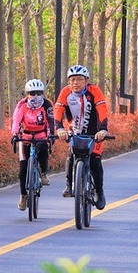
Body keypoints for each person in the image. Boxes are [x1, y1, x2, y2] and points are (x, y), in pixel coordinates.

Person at [54, 64, 110, 210]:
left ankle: (99, 192)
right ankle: (69, 185)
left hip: (94, 133)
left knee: (95, 161)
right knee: (71, 156)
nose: (75, 83)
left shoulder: (94, 91)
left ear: (86, 80)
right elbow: (58, 110)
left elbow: (102, 111)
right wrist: (59, 128)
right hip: (75, 132)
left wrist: (103, 130)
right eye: (72, 80)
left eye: (79, 79)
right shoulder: (65, 92)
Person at [11, 79, 55, 211]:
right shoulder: (22, 105)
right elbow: (16, 120)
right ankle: (23, 195)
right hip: (25, 137)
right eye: (32, 93)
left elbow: (51, 121)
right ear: (27, 94)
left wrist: (51, 135)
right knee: (23, 169)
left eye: (38, 93)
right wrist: (14, 134)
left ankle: (43, 171)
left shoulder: (47, 104)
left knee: (43, 148)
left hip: (41, 135)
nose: (35, 96)